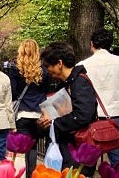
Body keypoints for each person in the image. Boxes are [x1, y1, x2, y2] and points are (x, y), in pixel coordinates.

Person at [37, 42, 98, 177]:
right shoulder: (67, 83)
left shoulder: (79, 82)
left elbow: (83, 115)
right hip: (68, 149)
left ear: (59, 63)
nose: (47, 71)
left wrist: (54, 123)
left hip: (77, 152)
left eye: (48, 66)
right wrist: (44, 123)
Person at [6, 39, 50, 177]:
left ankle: (20, 174)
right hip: (38, 114)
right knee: (33, 148)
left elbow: (12, 92)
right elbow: (46, 91)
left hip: (22, 113)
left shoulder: (14, 70)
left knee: (20, 149)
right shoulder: (44, 71)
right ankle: (32, 174)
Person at [77, 28, 119, 166]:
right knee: (117, 164)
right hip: (115, 117)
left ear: (91, 44)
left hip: (91, 119)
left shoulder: (82, 66)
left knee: (86, 164)